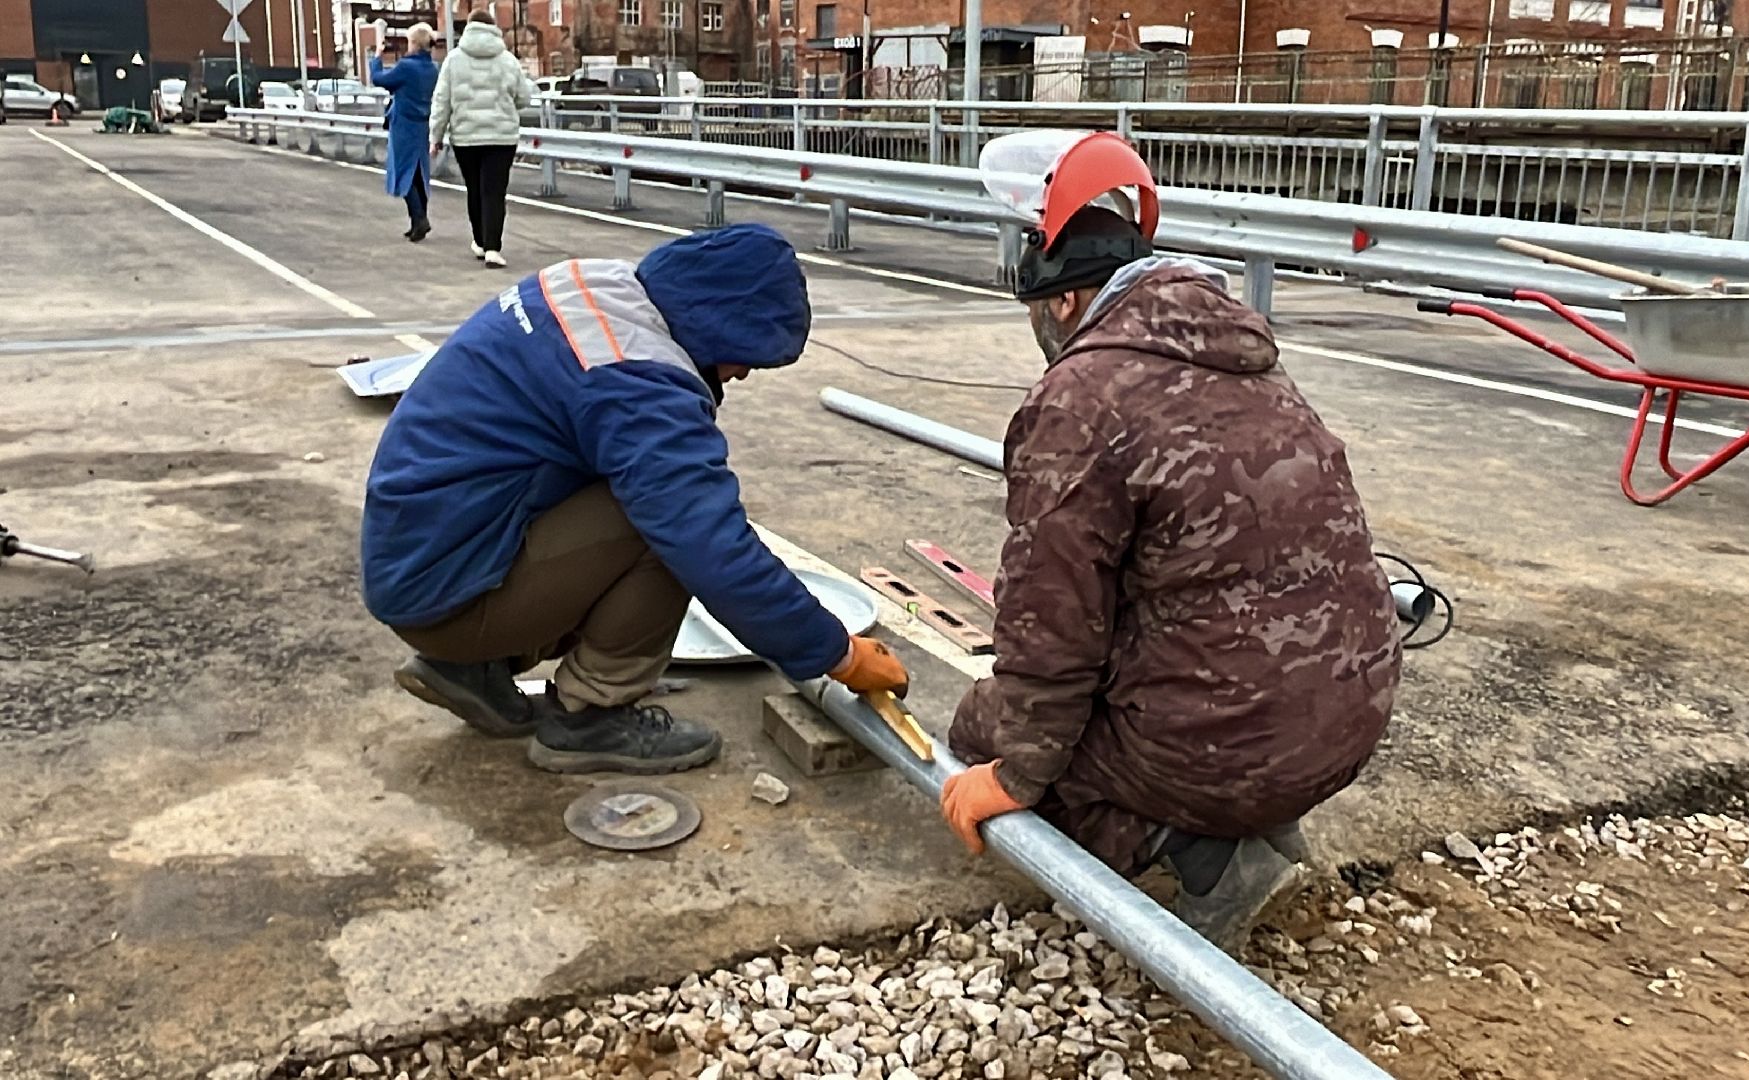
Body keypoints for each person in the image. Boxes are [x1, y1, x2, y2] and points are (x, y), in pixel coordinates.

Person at [938, 176, 1402, 948]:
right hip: (1349, 716)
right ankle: (1255, 817)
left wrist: (1013, 773)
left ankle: (1204, 851)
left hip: (1235, 742)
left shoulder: (1078, 395)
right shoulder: (1248, 361)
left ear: (1061, 304)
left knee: (986, 731)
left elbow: (1049, 617)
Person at [361, 223, 909, 774]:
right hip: (449, 591)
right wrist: (836, 653)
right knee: (672, 530)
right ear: (721, 322)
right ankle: (588, 716)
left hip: (426, 559)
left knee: (649, 494)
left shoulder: (596, 285)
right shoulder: (637, 381)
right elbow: (712, 548)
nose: (742, 373)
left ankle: (474, 670)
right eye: (749, 354)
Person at [429, 7, 531, 269]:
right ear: (493, 28)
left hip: (466, 137)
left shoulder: (453, 60)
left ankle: (480, 240)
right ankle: (493, 248)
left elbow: (442, 101)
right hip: (501, 136)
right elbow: (524, 98)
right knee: (494, 191)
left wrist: (436, 136)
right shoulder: (508, 60)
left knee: (475, 189)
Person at [370, 22, 439, 243]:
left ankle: (419, 219)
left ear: (415, 44)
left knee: (404, 173)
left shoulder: (407, 67)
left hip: (404, 125)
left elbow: (379, 79)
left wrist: (377, 57)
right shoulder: (433, 68)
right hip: (423, 125)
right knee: (419, 173)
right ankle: (418, 221)